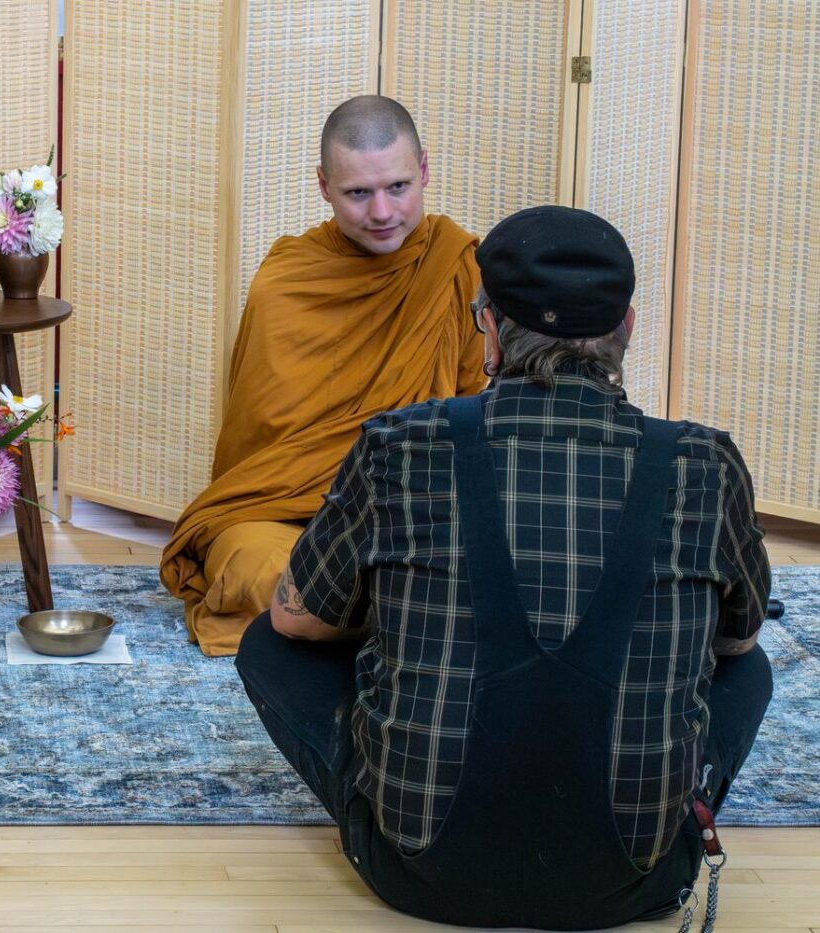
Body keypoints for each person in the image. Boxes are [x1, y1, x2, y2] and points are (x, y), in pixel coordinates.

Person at [236, 205, 773, 929]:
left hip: (419, 875)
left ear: (487, 326)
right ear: (629, 329)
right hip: (636, 879)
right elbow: (735, 643)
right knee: (754, 666)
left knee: (270, 642)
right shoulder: (704, 462)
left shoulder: (400, 444)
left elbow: (296, 616)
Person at [160, 95, 485, 656]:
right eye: (358, 193)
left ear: (425, 171)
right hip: (289, 522)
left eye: (399, 187)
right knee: (254, 567)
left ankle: (354, 614)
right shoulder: (289, 282)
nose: (382, 212)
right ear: (324, 185)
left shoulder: (459, 267)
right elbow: (261, 448)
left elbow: (478, 416)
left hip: (413, 512)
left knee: (484, 559)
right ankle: (407, 618)